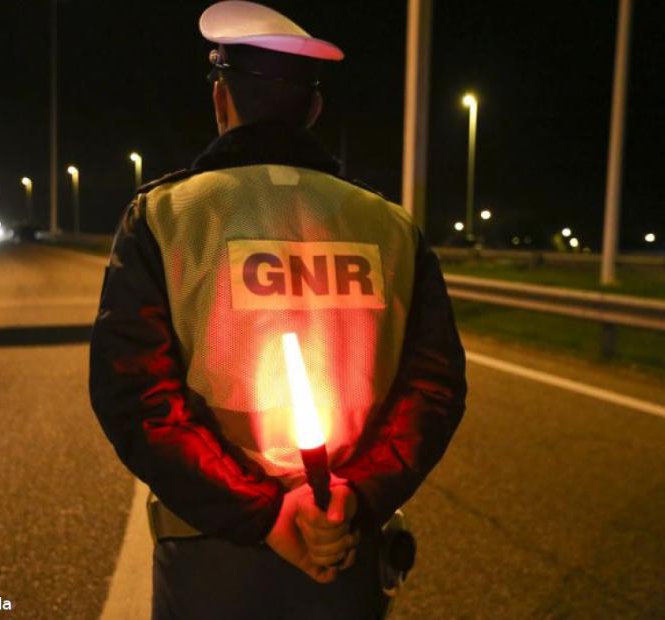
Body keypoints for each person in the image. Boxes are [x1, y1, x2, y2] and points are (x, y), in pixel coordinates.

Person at [89, 2, 467, 618]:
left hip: (213, 550)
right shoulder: (392, 225)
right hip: (343, 542)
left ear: (221, 100)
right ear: (313, 111)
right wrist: (357, 496)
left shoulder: (166, 216)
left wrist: (264, 513)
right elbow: (435, 387)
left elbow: (136, 397)